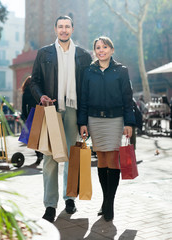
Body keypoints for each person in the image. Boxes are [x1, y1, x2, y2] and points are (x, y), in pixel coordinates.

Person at [30, 16, 92, 223]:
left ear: (72, 29)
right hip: (52, 110)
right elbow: (34, 82)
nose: (64, 30)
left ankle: (70, 198)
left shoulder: (83, 55)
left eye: (67, 27)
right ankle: (50, 204)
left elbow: (87, 88)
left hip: (74, 109)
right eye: (60, 27)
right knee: (50, 157)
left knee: (73, 155)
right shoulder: (44, 53)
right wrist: (41, 96)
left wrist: (85, 120)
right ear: (55, 29)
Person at [78, 36, 135, 222]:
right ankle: (105, 200)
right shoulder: (89, 71)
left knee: (112, 158)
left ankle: (109, 204)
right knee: (101, 158)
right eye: (97, 47)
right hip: (94, 120)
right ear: (94, 51)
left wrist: (129, 123)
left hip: (115, 120)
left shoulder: (121, 71)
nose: (101, 50)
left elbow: (128, 99)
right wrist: (82, 122)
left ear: (111, 50)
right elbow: (83, 99)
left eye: (104, 47)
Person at [21, 75, 43, 165]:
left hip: (31, 114)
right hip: (39, 112)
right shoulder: (37, 91)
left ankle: (38, 154)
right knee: (40, 135)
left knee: (32, 138)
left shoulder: (25, 92)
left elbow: (23, 106)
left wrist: (25, 117)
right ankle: (41, 152)